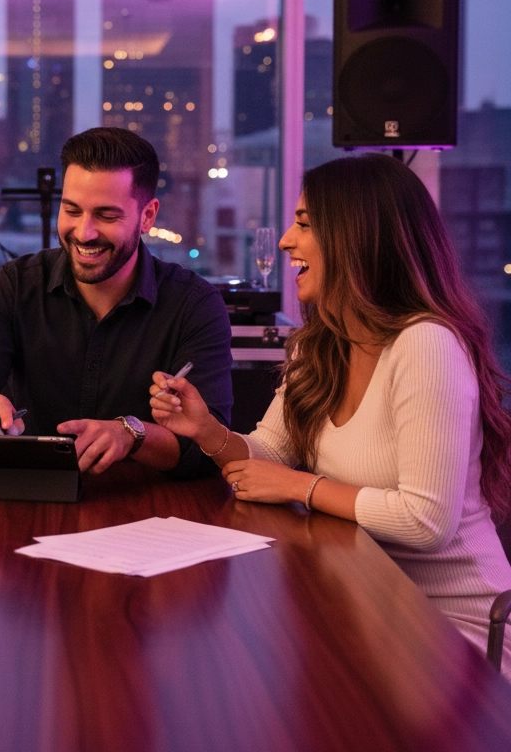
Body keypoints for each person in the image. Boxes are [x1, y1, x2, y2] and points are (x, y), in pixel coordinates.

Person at [150, 153, 511, 672]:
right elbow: (269, 452)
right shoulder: (318, 345)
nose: (284, 242)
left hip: (450, 627)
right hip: (364, 601)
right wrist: (205, 430)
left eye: (304, 224)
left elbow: (426, 520)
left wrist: (299, 487)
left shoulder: (426, 345)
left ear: (357, 237)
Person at [0, 127, 233, 476]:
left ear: (147, 216)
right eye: (72, 210)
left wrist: (132, 434)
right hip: (34, 496)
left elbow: (210, 446)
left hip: (149, 506)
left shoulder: (194, 305)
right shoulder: (15, 285)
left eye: (106, 216)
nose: (84, 232)